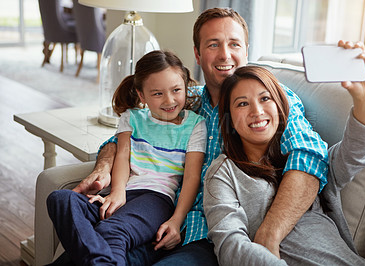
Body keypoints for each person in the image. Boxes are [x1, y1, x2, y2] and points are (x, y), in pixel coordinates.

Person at [70, 8, 329, 265]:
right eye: (213, 44)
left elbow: (309, 156)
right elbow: (123, 139)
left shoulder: (269, 98)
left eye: (234, 44)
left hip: (211, 237)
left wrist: (269, 235)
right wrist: (104, 166)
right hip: (157, 218)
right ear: (197, 53)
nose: (225, 54)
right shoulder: (186, 102)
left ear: (246, 51)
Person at [203, 41, 365, 265]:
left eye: (265, 98)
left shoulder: (304, 159)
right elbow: (230, 247)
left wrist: (364, 100)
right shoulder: (223, 173)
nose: (257, 111)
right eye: (242, 104)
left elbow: (354, 153)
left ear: (280, 107)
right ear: (229, 119)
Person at [46, 50, 207, 265]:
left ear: (185, 87)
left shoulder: (195, 125)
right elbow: (122, 156)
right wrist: (117, 193)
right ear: (142, 96)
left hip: (156, 199)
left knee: (111, 231)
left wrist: (176, 220)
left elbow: (191, 178)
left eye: (176, 90)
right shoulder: (131, 118)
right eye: (157, 93)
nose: (169, 100)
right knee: (61, 199)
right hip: (123, 193)